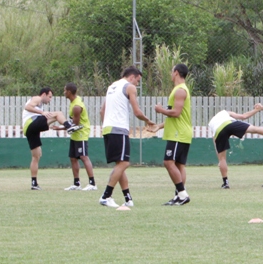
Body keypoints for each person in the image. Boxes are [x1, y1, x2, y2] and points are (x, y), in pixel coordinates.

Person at [99, 66, 155, 208]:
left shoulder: (112, 86)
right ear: (132, 77)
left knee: (120, 163)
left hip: (108, 128)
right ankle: (106, 196)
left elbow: (102, 110)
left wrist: (106, 124)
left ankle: (128, 198)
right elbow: (137, 112)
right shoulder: (129, 87)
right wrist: (148, 121)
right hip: (119, 128)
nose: (137, 84)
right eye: (138, 80)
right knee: (124, 163)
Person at [209, 109, 263, 189]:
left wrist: (219, 159)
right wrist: (256, 110)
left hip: (218, 131)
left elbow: (215, 141)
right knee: (255, 129)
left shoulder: (211, 123)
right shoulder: (224, 112)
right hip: (230, 123)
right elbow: (243, 116)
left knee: (222, 159)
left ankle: (225, 183)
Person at [22, 87, 83, 190]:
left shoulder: (39, 104)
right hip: (31, 123)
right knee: (58, 113)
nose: (50, 100)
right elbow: (28, 107)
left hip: (29, 130)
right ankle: (69, 126)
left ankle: (34, 183)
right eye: (49, 97)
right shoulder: (37, 98)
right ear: (44, 94)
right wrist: (42, 113)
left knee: (36, 156)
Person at [150, 64, 193, 206]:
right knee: (179, 165)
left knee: (168, 162)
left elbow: (176, 113)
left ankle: (182, 194)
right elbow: (176, 116)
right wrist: (159, 126)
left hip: (177, 134)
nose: (170, 74)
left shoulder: (180, 90)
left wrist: (160, 110)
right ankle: (178, 196)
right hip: (181, 132)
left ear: (176, 73)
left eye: (171, 71)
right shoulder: (179, 89)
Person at [63, 83, 97, 191]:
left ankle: (92, 183)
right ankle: (76, 183)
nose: (64, 92)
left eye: (65, 90)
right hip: (75, 134)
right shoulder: (73, 102)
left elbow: (75, 124)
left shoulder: (77, 107)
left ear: (69, 92)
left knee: (83, 157)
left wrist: (61, 127)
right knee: (73, 158)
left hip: (81, 132)